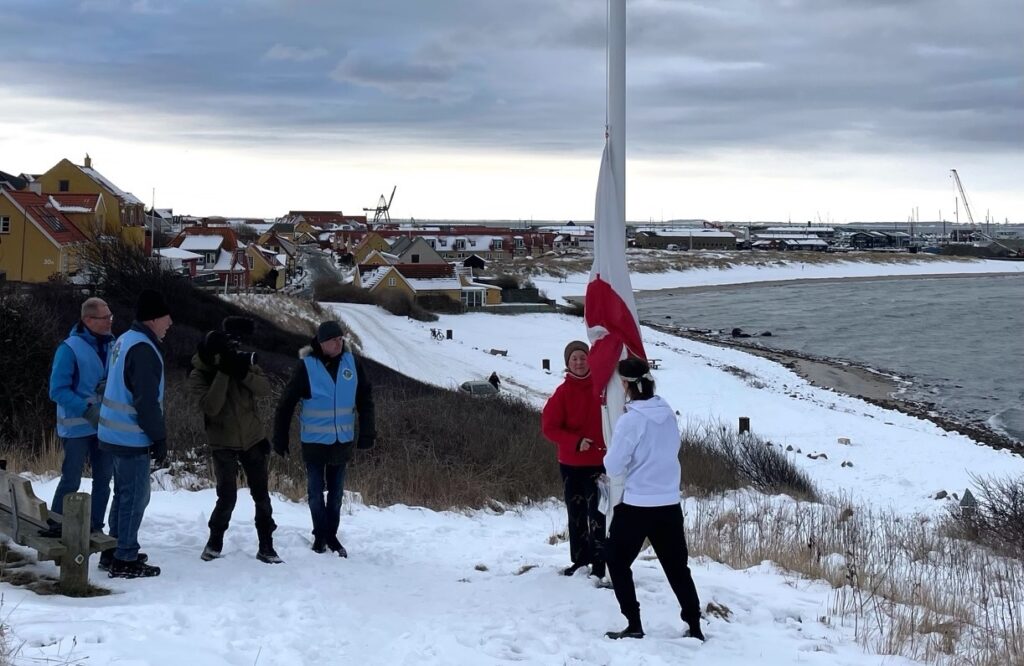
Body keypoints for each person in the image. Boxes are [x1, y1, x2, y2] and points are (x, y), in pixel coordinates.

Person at [602, 357, 703, 641]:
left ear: (625, 385)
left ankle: (634, 623)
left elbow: (614, 466)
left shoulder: (630, 420)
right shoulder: (668, 412)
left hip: (637, 504)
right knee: (676, 567)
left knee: (616, 559)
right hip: (669, 503)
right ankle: (694, 625)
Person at [273, 321, 375, 556]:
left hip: (342, 440)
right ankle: (321, 535)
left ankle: (332, 535)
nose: (339, 343)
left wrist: (368, 432)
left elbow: (365, 399)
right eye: (333, 340)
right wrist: (280, 438)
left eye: (341, 339)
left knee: (337, 495)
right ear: (321, 343)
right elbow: (286, 403)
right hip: (315, 442)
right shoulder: (307, 367)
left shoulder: (353, 363)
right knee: (316, 493)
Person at [189, 316, 281, 564]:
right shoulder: (199, 373)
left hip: (252, 437)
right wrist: (223, 373)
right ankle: (214, 542)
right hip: (223, 442)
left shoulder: (238, 359)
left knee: (261, 494)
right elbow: (211, 407)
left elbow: (264, 389)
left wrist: (241, 372)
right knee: (227, 496)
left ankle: (266, 546)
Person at [97, 289, 171, 579]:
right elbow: (145, 401)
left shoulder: (125, 340)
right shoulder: (142, 348)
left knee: (123, 493)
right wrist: (159, 436)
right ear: (153, 318)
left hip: (113, 432)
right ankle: (124, 558)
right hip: (131, 436)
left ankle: (113, 549)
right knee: (135, 497)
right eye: (167, 318)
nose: (171, 323)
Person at [46, 297, 115, 537]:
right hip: (76, 427)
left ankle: (95, 527)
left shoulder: (113, 345)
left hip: (105, 425)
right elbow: (57, 390)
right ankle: (56, 525)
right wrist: (86, 409)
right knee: (71, 478)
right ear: (88, 320)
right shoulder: (69, 348)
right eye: (104, 317)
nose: (109, 321)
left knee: (104, 479)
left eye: (110, 317)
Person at [541, 340, 607, 579]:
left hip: (600, 466)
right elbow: (549, 428)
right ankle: (580, 561)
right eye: (574, 359)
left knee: (599, 515)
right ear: (568, 363)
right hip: (571, 466)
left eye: (583, 357)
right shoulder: (563, 393)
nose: (579, 362)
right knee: (577, 515)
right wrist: (575, 442)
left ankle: (601, 564)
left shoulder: (603, 388)